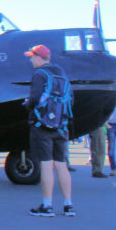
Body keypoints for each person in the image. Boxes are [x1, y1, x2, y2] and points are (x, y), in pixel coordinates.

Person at [22, 44, 74, 216]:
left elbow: (35, 99)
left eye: (31, 57)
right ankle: (68, 205)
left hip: (41, 125)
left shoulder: (39, 74)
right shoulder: (62, 75)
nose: (30, 60)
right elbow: (70, 100)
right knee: (61, 164)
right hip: (61, 126)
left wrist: (27, 105)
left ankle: (47, 205)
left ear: (38, 57)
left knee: (45, 164)